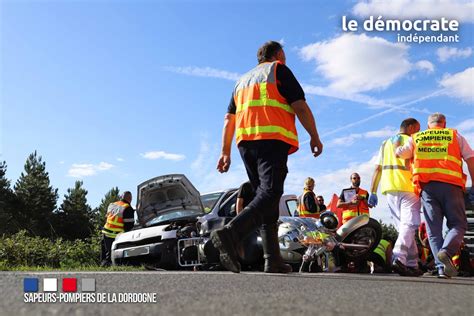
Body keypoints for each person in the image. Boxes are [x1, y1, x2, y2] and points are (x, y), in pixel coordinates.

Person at [212, 40, 323, 274]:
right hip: (271, 138)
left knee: (266, 199)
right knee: (271, 192)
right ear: (278, 54)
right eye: (284, 54)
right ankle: (231, 233)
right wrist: (314, 136)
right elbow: (300, 106)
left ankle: (272, 259)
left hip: (245, 143)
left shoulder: (241, 81)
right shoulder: (277, 70)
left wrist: (225, 151)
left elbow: (228, 119)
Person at [395, 112, 474, 278]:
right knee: (458, 225)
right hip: (451, 186)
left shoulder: (417, 137)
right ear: (443, 124)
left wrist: (397, 145)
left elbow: (400, 153)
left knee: (433, 231)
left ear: (428, 125)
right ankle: (446, 252)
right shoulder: (454, 135)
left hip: (427, 189)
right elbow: (470, 158)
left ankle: (441, 269)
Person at [368, 118, 423, 277]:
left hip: (389, 188)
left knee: (404, 227)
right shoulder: (413, 140)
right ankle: (399, 258)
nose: (418, 132)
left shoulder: (385, 143)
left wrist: (373, 191)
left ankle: (411, 264)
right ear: (411, 127)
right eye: (417, 129)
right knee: (410, 224)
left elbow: (377, 169)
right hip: (408, 187)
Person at [100, 191, 135, 267]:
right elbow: (129, 227)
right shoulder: (127, 208)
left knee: (105, 257)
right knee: (114, 258)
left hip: (105, 232)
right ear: (130, 199)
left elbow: (107, 217)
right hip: (115, 235)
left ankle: (102, 270)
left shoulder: (112, 204)